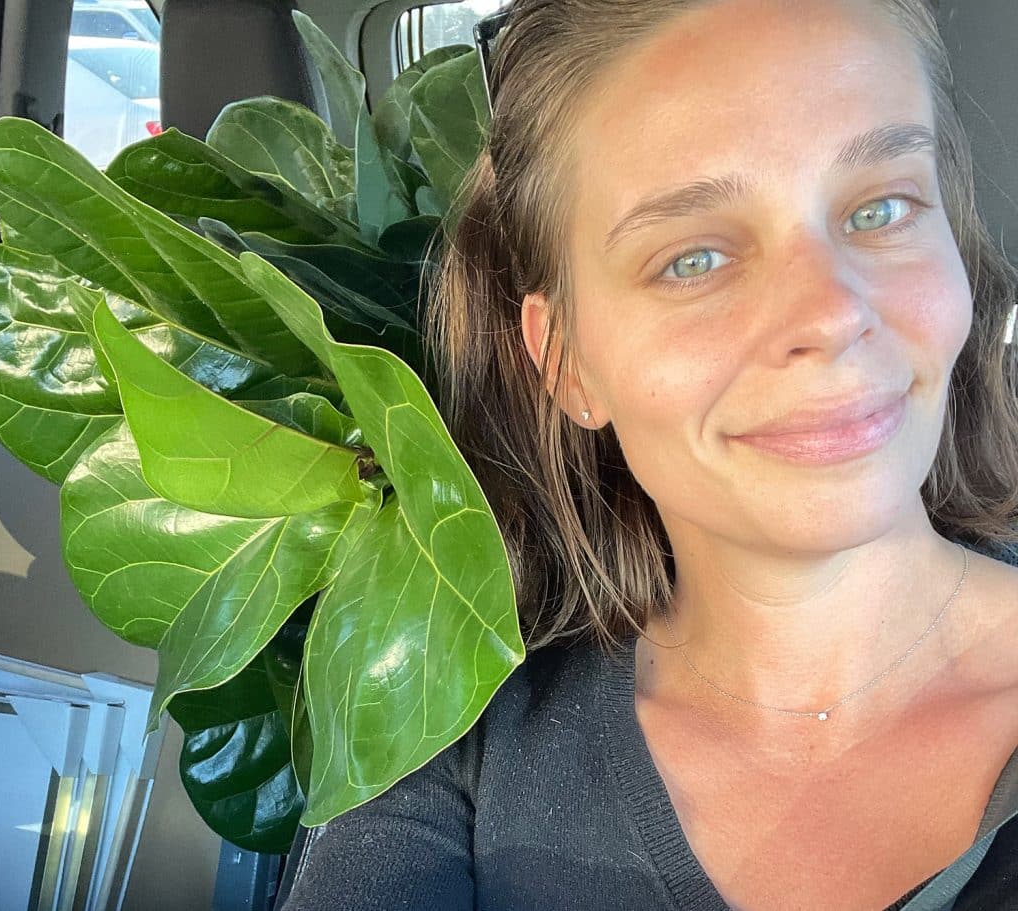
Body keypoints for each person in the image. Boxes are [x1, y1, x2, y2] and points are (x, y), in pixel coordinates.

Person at [278, 1, 1018, 908]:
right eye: (694, 259)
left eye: (882, 207)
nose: (831, 313)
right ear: (567, 361)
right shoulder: (454, 750)